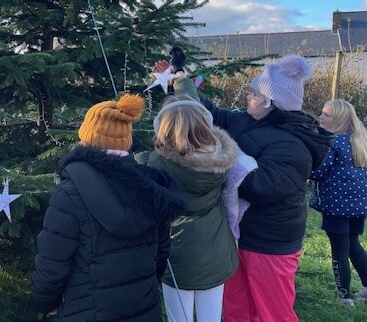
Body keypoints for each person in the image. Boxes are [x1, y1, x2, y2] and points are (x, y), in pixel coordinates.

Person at [172, 54, 331, 322]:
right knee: (237, 309)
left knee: (273, 313)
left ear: (271, 103)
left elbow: (260, 186)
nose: (249, 97)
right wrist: (179, 82)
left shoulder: (293, 145)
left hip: (269, 242)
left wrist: (218, 157)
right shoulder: (249, 119)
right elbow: (212, 115)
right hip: (236, 235)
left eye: (255, 94)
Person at [32, 93, 186, 322]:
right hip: (143, 309)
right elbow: (160, 253)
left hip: (87, 311)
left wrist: (46, 303)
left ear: (87, 138)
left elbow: (53, 262)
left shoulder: (70, 192)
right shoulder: (151, 189)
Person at [146, 96, 239, 322]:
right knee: (211, 317)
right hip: (215, 252)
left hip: (177, 254)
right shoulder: (221, 160)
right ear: (204, 125)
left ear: (164, 129)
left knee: (180, 318)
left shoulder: (158, 163)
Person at [310, 99, 367, 307]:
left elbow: (317, 172)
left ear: (339, 120)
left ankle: (344, 297)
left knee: (339, 251)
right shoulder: (359, 138)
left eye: (326, 115)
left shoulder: (333, 142)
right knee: (353, 245)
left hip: (336, 207)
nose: (320, 117)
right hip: (359, 207)